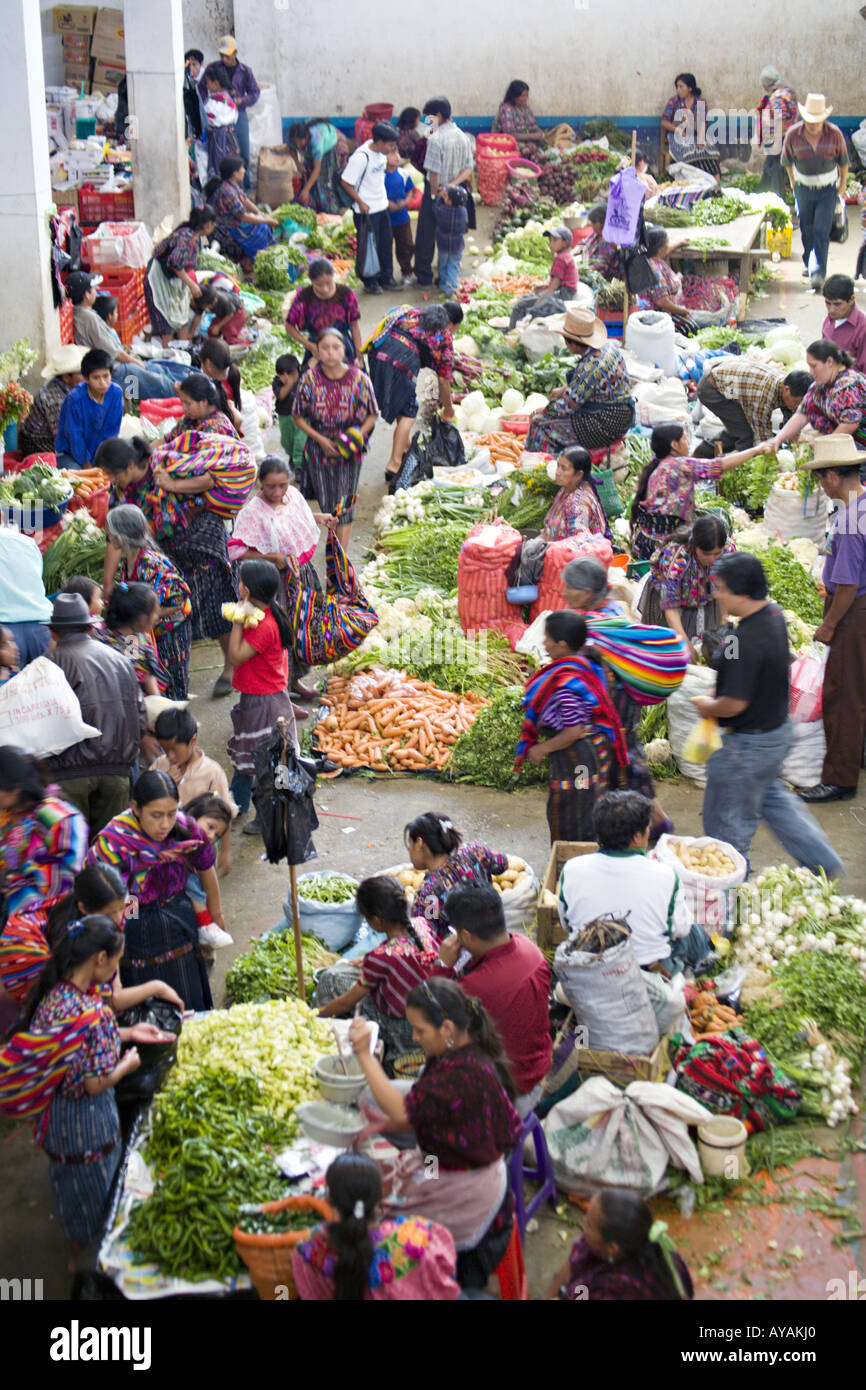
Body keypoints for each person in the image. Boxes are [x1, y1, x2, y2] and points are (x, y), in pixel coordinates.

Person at [348, 978, 521, 1278]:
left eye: (419, 1030)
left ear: (448, 1029)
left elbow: (403, 1108)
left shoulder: (465, 1073)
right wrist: (385, 1125)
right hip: (458, 1162)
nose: (414, 1037)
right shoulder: (451, 1054)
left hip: (475, 1195)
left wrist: (365, 1054)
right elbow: (416, 1113)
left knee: (379, 1236)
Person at [695, 551, 843, 877]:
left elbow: (734, 704)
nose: (716, 594)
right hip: (774, 734)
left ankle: (730, 890)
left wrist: (709, 705)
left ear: (743, 593)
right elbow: (740, 673)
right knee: (772, 800)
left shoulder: (742, 638)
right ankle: (825, 863)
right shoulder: (773, 616)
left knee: (727, 821)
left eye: (721, 588)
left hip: (745, 746)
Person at [23, 916, 142, 1267]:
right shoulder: (96, 1014)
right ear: (99, 959)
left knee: (70, 1192)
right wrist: (128, 1064)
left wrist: (131, 1033)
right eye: (116, 961)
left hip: (56, 1122)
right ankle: (93, 1264)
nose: (117, 970)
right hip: (88, 1129)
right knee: (99, 1197)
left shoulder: (51, 998)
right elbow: (95, 1082)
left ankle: (74, 1255)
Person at [98, 438, 238, 697]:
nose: (112, 480)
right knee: (179, 609)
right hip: (165, 548)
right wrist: (108, 586)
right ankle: (174, 680)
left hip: (199, 541)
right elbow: (114, 536)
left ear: (129, 465)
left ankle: (231, 666)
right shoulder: (121, 493)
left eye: (113, 474)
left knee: (213, 605)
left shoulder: (166, 464)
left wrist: (173, 485)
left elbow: (209, 480)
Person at [88, 770, 223, 1009]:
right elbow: (110, 900)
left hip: (179, 915)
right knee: (149, 1004)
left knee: (188, 999)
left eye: (171, 814)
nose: (165, 824)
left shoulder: (185, 828)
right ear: (136, 808)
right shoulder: (112, 842)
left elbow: (206, 867)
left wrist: (216, 914)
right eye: (156, 815)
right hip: (132, 913)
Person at [561, 557, 672, 842]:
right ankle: (658, 824)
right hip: (625, 717)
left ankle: (593, 840)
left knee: (589, 783)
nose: (563, 592)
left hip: (603, 725)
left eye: (569, 587)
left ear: (585, 592)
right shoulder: (617, 611)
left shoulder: (588, 631)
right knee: (631, 773)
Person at [557, 791, 708, 974]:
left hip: (588, 969)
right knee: (693, 931)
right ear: (637, 836)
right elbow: (680, 929)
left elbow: (566, 924)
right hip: (647, 971)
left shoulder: (572, 869)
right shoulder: (665, 875)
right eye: (647, 828)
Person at [0, 861, 183, 1012]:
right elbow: (108, 1001)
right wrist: (157, 987)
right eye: (111, 912)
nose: (119, 918)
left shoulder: (109, 917)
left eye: (122, 908)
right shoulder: (25, 945)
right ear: (83, 909)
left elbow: (113, 988)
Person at [435, 883, 552, 1116]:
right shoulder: (531, 950)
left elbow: (431, 1017)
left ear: (465, 935)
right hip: (537, 1074)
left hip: (501, 1095)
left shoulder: (471, 989)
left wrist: (442, 966)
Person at [42, 593, 154, 833]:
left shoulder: (46, 665)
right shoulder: (121, 660)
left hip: (68, 774)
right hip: (117, 768)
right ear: (90, 629)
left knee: (74, 851)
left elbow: (39, 725)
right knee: (110, 850)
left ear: (52, 632)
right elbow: (140, 714)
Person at [515, 610, 628, 844]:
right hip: (587, 752)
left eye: (547, 638)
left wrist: (541, 748)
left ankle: (574, 857)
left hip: (579, 760)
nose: (543, 643)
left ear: (563, 644)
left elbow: (573, 730)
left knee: (575, 808)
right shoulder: (585, 663)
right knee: (583, 801)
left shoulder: (567, 684)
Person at [795, 435, 866, 803]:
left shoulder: (853, 520)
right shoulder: (862, 504)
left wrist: (829, 624)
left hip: (853, 613)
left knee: (843, 694)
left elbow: (849, 584)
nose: (821, 485)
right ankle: (859, 754)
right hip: (855, 609)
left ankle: (839, 778)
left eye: (822, 478)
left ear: (834, 476)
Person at [232, 455, 335, 703]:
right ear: (259, 484)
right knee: (279, 635)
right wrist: (270, 557)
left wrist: (319, 517)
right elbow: (236, 551)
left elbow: (299, 516)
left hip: (300, 576)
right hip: (273, 585)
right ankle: (280, 696)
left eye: (282, 485)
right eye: (270, 486)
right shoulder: (251, 513)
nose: (277, 491)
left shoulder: (294, 496)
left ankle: (295, 681)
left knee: (303, 630)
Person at [292, 1152, 459, 1302]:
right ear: (382, 1195)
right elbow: (446, 1276)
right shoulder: (418, 1237)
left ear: (329, 1200)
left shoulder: (309, 1247)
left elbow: (310, 1294)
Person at [316, 876, 439, 1068]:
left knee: (331, 981)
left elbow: (346, 1002)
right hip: (431, 1013)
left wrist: (316, 1016)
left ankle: (322, 1035)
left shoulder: (382, 956)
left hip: (404, 1029)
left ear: (376, 921)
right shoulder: (422, 924)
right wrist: (368, 961)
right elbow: (405, 956)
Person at [226, 559, 298, 833]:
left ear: (245, 590)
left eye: (240, 581)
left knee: (262, 761)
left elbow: (235, 656)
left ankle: (268, 816)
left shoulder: (263, 625)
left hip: (264, 703)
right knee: (247, 753)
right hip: (261, 698)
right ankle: (236, 802)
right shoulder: (268, 612)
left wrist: (236, 621)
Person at [292, 328, 378, 547]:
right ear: (317, 352)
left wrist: (356, 435)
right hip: (318, 448)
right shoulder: (309, 380)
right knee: (328, 504)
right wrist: (320, 440)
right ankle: (335, 548)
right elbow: (298, 416)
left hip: (350, 450)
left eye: (335, 347)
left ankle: (341, 559)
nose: (330, 352)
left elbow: (372, 414)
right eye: (325, 348)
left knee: (345, 502)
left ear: (344, 350)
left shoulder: (359, 379)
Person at [630, 423, 757, 562]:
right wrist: (756, 450)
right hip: (668, 545)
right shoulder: (679, 464)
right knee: (720, 524)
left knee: (714, 515)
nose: (688, 443)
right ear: (674, 445)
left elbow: (662, 502)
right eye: (684, 439)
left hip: (645, 542)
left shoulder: (658, 465)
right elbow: (719, 466)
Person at [103, 503, 192, 702]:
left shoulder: (151, 564)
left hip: (170, 633)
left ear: (121, 536)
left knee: (173, 684)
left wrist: (147, 616)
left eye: (110, 533)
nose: (108, 537)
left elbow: (180, 598)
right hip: (149, 632)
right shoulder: (129, 560)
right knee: (155, 681)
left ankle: (177, 723)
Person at [365, 302, 463, 482]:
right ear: (452, 324)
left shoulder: (410, 311)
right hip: (402, 363)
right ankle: (394, 464)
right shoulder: (445, 336)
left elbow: (386, 316)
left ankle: (404, 449)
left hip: (376, 355)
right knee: (409, 411)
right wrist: (449, 410)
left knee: (395, 402)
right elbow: (443, 380)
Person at [546, 1189, 693, 1301]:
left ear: (612, 1248)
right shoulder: (637, 1238)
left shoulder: (619, 1288)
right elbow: (574, 1260)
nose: (584, 1222)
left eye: (589, 1224)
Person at [69, 271, 194, 401]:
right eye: (93, 289)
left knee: (158, 369)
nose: (95, 291)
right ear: (86, 295)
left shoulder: (81, 315)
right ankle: (189, 398)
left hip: (115, 366)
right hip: (116, 370)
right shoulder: (89, 318)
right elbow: (113, 352)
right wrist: (134, 361)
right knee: (162, 383)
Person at [525, 308, 634, 455]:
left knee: (539, 423)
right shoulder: (608, 346)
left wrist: (542, 410)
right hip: (622, 415)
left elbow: (564, 407)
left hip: (607, 423)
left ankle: (543, 465)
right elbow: (590, 385)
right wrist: (565, 389)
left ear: (574, 344)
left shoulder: (589, 367)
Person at [0, 748, 86, 927]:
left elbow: (62, 877)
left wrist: (15, 879)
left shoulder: (60, 819)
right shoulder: (8, 814)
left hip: (43, 923)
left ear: (15, 789)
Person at [639, 515, 734, 655]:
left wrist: (723, 620)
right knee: (671, 651)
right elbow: (670, 606)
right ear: (695, 546)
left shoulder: (727, 551)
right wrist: (684, 642)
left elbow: (724, 588)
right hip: (672, 599)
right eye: (706, 554)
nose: (712, 559)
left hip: (704, 591)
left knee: (710, 644)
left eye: (717, 554)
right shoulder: (677, 557)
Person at [404, 813, 508, 941]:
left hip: (464, 953)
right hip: (494, 934)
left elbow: (425, 940)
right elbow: (502, 864)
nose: (409, 850)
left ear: (419, 843)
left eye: (409, 844)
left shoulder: (427, 893)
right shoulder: (474, 851)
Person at [782, 93, 848, 292]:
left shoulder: (834, 134)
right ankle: (809, 261)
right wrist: (793, 182)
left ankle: (819, 272)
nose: (812, 125)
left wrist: (842, 184)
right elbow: (787, 162)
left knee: (821, 229)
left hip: (827, 190)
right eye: (809, 121)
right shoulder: (793, 134)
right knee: (806, 228)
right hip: (803, 189)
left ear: (823, 119)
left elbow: (843, 162)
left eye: (816, 121)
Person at [415, 97, 474, 289]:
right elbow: (468, 168)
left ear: (438, 116)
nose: (427, 122)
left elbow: (434, 172)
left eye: (429, 118)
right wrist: (453, 185)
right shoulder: (463, 136)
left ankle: (424, 276)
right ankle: (446, 276)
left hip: (437, 193)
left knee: (427, 233)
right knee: (450, 234)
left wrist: (435, 194)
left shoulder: (436, 139)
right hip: (455, 194)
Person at [768, 340, 866, 453]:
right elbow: (803, 413)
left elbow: (849, 425)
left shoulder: (850, 385)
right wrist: (779, 438)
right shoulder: (819, 386)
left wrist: (824, 447)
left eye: (814, 366)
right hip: (842, 443)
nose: (810, 372)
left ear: (830, 362)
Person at [152, 706, 236, 836]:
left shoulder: (212, 772)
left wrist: (225, 852)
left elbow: (225, 814)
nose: (169, 756)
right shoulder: (159, 765)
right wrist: (163, 784)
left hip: (199, 841)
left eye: (174, 750)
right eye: (164, 749)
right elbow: (146, 800)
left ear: (193, 741)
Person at [696, 360, 811, 453]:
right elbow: (762, 440)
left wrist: (795, 445)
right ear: (786, 389)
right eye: (796, 402)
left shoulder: (788, 384)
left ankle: (703, 453)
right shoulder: (764, 396)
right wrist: (773, 468)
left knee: (737, 428)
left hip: (733, 386)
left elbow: (791, 422)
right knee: (747, 436)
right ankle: (748, 474)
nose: (797, 406)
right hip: (712, 389)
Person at [340, 122, 400, 294]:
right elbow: (346, 182)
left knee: (386, 244)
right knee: (368, 247)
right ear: (379, 142)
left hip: (382, 206)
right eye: (390, 145)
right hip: (365, 211)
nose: (392, 149)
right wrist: (360, 201)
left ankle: (387, 278)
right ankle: (370, 281)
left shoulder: (382, 154)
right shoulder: (361, 157)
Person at [143, 207, 215, 348]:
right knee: (166, 326)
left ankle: (183, 352)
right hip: (158, 280)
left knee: (180, 319)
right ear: (208, 225)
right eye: (213, 224)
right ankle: (166, 357)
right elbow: (175, 263)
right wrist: (191, 285)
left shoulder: (192, 236)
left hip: (170, 280)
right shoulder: (186, 237)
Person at [642, 228, 736, 333]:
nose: (668, 245)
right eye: (667, 243)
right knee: (717, 319)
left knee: (707, 308)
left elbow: (664, 252)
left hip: (674, 306)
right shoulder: (655, 271)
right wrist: (683, 311)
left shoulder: (651, 257)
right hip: (666, 316)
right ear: (659, 248)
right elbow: (662, 303)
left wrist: (678, 243)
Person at [284, 258, 362, 367]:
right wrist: (310, 346)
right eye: (319, 285)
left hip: (343, 348)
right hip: (317, 350)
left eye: (328, 283)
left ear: (333, 276)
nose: (325, 289)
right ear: (311, 281)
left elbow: (355, 326)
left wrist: (359, 355)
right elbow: (289, 326)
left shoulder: (346, 293)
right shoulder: (304, 296)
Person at [206, 155, 278, 271]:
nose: (244, 171)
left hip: (237, 224)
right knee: (262, 229)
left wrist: (261, 214)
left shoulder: (233, 185)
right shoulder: (227, 192)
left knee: (263, 225)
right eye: (242, 168)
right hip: (227, 229)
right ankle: (261, 261)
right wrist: (266, 220)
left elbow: (245, 200)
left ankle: (264, 259)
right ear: (235, 172)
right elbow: (242, 216)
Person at [54, 349, 123, 469]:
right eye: (96, 378)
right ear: (86, 379)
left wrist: (104, 462)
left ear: (111, 375)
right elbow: (75, 438)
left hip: (100, 452)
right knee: (78, 479)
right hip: (71, 454)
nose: (102, 382)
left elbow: (112, 432)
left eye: (106, 376)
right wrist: (88, 467)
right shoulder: (74, 399)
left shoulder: (116, 393)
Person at [206, 37, 259, 192]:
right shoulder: (213, 69)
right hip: (221, 118)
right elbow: (205, 89)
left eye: (227, 56)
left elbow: (255, 93)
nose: (224, 59)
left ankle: (245, 189)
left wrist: (242, 100)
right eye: (221, 55)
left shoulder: (245, 71)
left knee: (242, 152)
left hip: (238, 113)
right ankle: (222, 190)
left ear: (235, 53)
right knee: (221, 156)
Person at [97, 583, 166, 696]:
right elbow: (152, 689)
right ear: (141, 618)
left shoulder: (99, 634)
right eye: (155, 613)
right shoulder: (139, 644)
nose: (157, 617)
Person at [17, 345, 85, 457]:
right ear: (66, 378)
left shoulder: (67, 388)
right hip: (41, 453)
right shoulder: (55, 399)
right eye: (81, 373)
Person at [0, 524, 53, 666]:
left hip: (5, 634)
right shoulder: (27, 542)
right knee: (48, 684)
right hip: (43, 626)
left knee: (8, 687)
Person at [508, 225, 578, 328]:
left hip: (563, 294)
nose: (550, 244)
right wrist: (544, 288)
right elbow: (555, 283)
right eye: (550, 240)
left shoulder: (561, 258)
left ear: (565, 242)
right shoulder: (565, 255)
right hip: (565, 292)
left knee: (521, 304)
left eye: (554, 240)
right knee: (527, 297)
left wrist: (540, 298)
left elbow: (554, 287)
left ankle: (511, 330)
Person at [542, 446, 610, 541]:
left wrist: (551, 538)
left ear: (579, 474)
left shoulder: (577, 505)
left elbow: (578, 545)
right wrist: (551, 535)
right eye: (558, 465)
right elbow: (553, 527)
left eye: (564, 468)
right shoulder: (566, 489)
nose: (557, 472)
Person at [660, 72, 720, 178]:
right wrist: (677, 129)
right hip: (677, 137)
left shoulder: (700, 101)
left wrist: (701, 140)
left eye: (681, 86)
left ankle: (715, 180)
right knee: (688, 150)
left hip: (696, 135)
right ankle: (691, 178)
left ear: (690, 88)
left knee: (709, 149)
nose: (678, 89)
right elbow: (664, 122)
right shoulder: (674, 102)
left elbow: (702, 123)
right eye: (677, 87)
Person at [288, 119, 350, 214]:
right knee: (308, 179)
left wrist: (306, 189)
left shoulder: (316, 142)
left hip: (330, 146)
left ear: (306, 136)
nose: (298, 145)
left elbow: (317, 169)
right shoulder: (296, 139)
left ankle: (332, 211)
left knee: (324, 183)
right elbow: (291, 148)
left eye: (299, 142)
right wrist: (298, 163)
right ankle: (314, 205)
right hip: (314, 150)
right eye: (296, 142)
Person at [756, 66, 798, 199]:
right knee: (771, 166)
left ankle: (777, 197)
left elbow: (780, 119)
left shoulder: (777, 97)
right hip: (785, 136)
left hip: (779, 138)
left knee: (776, 169)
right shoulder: (788, 92)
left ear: (766, 84)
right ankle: (762, 193)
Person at [201, 62, 240, 182]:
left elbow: (209, 121)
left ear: (216, 83)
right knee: (232, 172)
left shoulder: (216, 102)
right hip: (231, 139)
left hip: (220, 142)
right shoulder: (228, 99)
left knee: (221, 172)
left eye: (208, 82)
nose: (206, 85)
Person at [822, 274, 866, 375]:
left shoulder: (862, 328)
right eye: (828, 303)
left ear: (851, 300)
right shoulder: (829, 320)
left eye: (837, 304)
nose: (831, 310)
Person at [199, 337, 243, 432]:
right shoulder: (232, 374)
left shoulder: (219, 390)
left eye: (201, 363)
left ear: (208, 364)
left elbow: (238, 419)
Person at [385, 149, 415, 288]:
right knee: (385, 247)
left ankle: (406, 272)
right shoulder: (379, 176)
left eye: (397, 153)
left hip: (402, 218)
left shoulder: (403, 174)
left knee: (406, 245)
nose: (397, 157)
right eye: (392, 153)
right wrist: (387, 203)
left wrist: (405, 202)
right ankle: (387, 275)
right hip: (386, 219)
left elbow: (410, 191)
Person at [432, 184, 468, 297]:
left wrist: (438, 198)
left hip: (443, 244)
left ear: (450, 202)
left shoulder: (443, 211)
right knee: (453, 265)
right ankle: (451, 286)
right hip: (457, 245)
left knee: (443, 264)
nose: (444, 197)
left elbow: (434, 209)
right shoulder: (463, 212)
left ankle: (444, 285)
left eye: (446, 197)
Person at [271, 354, 304, 470]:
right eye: (282, 376)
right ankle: (292, 457)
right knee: (286, 441)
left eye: (292, 375)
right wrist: (289, 384)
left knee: (300, 441)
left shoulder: (303, 378)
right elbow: (281, 395)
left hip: (301, 416)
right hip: (285, 416)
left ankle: (299, 466)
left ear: (296, 372)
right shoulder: (277, 383)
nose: (287, 378)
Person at [491, 80, 544, 151]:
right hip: (507, 143)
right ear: (514, 96)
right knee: (525, 150)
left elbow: (533, 125)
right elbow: (509, 134)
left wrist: (540, 133)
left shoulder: (525, 108)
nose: (525, 98)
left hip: (525, 141)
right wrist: (532, 136)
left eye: (527, 95)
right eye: (522, 96)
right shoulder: (507, 109)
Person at [584, 203, 624, 282]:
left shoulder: (609, 240)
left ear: (603, 222)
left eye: (594, 223)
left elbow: (601, 265)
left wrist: (582, 270)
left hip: (608, 279)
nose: (592, 226)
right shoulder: (598, 234)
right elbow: (584, 243)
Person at [183, 47, 206, 140]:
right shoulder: (187, 80)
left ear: (201, 64)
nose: (191, 68)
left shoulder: (206, 80)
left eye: (194, 64)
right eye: (189, 65)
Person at [396, 108, 427, 175]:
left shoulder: (397, 131)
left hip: (399, 164)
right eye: (418, 119)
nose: (419, 122)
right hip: (411, 165)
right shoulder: (413, 133)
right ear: (413, 120)